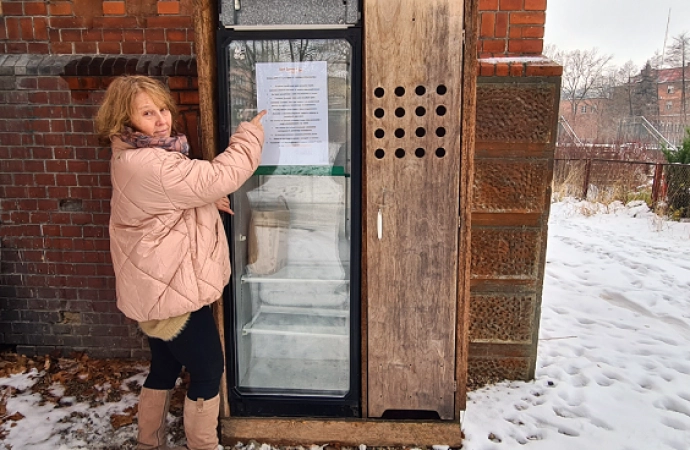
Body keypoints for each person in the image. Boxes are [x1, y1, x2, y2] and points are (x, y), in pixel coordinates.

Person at [95, 75, 266, 450]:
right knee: (207, 372)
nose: (162, 119)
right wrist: (250, 135)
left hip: (156, 290)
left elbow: (172, 200)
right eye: (147, 113)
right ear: (126, 122)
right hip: (172, 295)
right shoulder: (151, 164)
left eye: (163, 109)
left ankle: (149, 442)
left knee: (166, 367)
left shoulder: (132, 157)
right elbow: (221, 175)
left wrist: (203, 199)